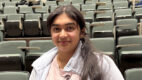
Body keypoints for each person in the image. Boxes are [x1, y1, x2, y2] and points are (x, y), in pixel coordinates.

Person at [29, 5, 124, 80]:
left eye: (69, 28)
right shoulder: (40, 66)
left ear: (82, 32)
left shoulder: (103, 64)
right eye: (56, 29)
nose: (62, 35)